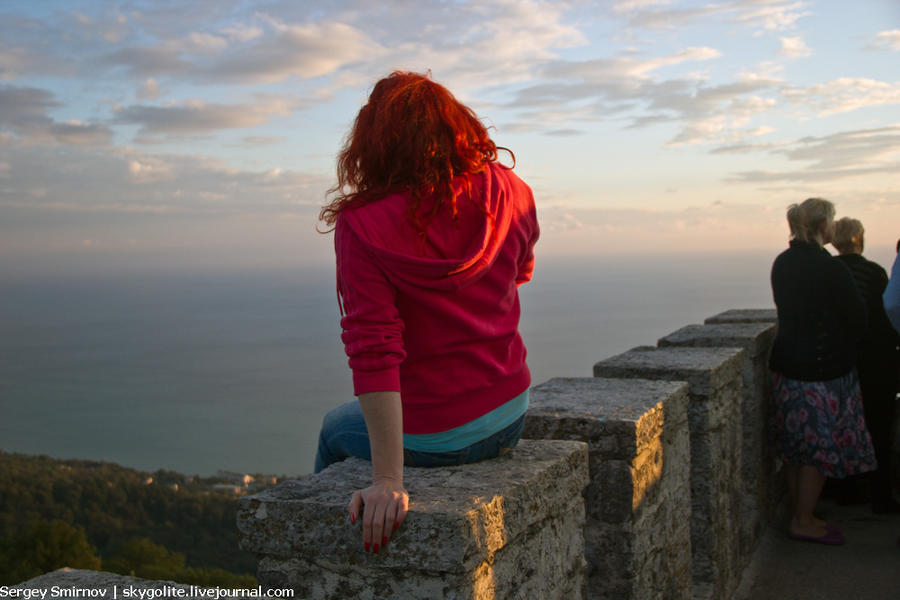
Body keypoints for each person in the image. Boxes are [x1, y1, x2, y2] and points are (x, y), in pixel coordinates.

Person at [315, 71, 539, 555]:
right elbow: (519, 272)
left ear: (373, 143)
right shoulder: (512, 192)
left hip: (438, 436)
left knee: (335, 429)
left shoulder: (362, 226)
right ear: (457, 127)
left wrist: (387, 480)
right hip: (510, 414)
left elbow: (374, 351)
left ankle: (335, 562)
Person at [769, 198, 876, 545]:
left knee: (795, 446)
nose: (833, 225)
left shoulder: (782, 263)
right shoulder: (830, 267)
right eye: (831, 220)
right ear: (822, 226)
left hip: (788, 366)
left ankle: (800, 512)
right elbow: (858, 319)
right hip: (823, 370)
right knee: (818, 449)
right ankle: (803, 519)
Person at [832, 218, 900, 513]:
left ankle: (845, 491)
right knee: (879, 427)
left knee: (841, 426)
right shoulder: (874, 273)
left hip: (839, 361)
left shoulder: (829, 273)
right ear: (860, 238)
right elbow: (890, 311)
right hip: (876, 360)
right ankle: (881, 493)